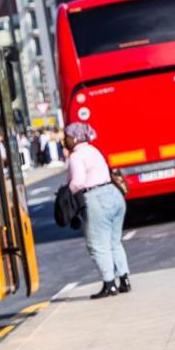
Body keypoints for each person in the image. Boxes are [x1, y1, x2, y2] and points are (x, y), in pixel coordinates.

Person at [64, 122, 130, 298]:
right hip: (114, 195)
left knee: (98, 245)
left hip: (96, 199)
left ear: (75, 138)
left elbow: (78, 181)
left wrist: (65, 194)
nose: (65, 141)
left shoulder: (77, 156)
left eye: (67, 137)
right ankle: (124, 279)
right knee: (114, 241)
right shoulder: (94, 150)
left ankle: (110, 284)